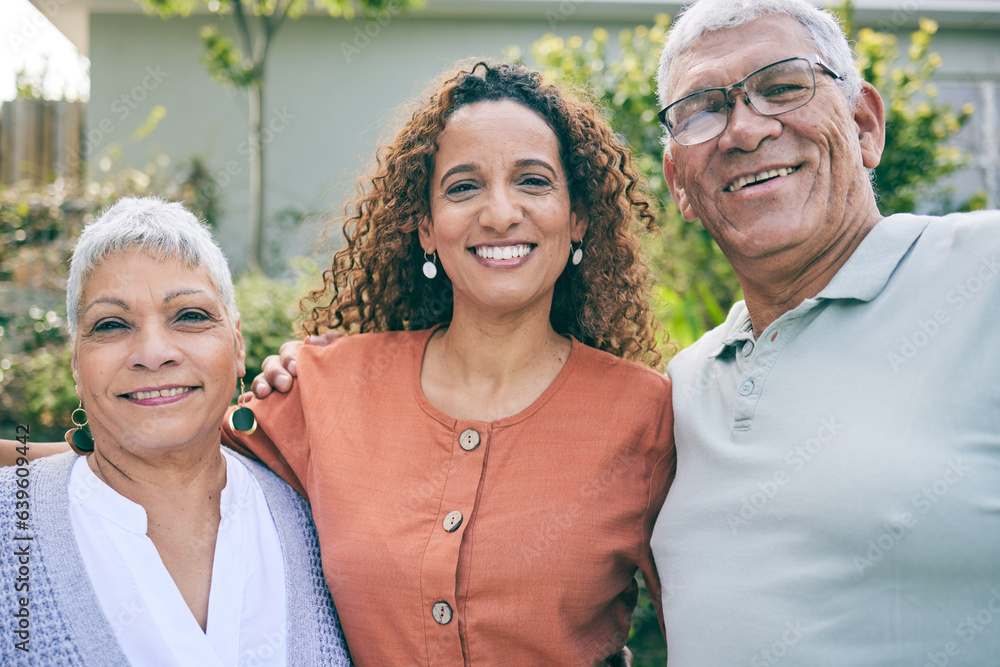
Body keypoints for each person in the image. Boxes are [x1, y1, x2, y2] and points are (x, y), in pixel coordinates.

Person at [224, 61, 675, 665]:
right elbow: (164, 472)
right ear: (426, 229)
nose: (499, 213)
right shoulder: (322, 385)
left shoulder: (648, 416)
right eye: (463, 186)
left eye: (533, 182)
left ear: (578, 219)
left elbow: (718, 624)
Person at [648, 0, 1000, 664]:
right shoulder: (685, 384)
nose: (744, 131)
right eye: (703, 109)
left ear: (864, 124)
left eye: (782, 87)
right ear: (679, 186)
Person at [0, 197, 351, 666]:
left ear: (238, 344)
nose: (154, 352)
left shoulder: (320, 517)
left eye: (189, 315)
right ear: (76, 365)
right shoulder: (12, 527)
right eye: (111, 324)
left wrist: (354, 372)